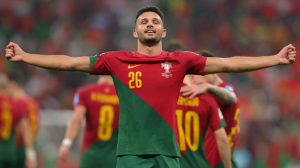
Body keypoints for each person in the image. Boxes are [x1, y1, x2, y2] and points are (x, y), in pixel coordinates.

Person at [4, 5, 296, 168]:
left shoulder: (181, 61)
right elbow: (69, 62)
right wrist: (25, 56)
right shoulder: (116, 60)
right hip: (130, 154)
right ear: (135, 31)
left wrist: (275, 58)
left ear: (164, 31)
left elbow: (229, 63)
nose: (150, 24)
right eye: (144, 21)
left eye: (155, 21)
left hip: (169, 155)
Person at [181, 50, 240, 168]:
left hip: (220, 156)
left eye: (199, 73)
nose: (195, 79)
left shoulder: (222, 89)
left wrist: (208, 87)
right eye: (193, 75)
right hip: (216, 157)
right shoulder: (207, 96)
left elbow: (231, 97)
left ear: (213, 71)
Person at [58, 76, 119, 168]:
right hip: (114, 155)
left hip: (91, 153)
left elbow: (76, 120)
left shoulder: (85, 92)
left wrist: (66, 143)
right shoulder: (123, 95)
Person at [177, 75, 231, 168]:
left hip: (172, 163)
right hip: (198, 163)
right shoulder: (208, 99)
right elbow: (222, 138)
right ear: (192, 76)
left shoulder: (170, 95)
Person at [0, 74, 37, 168]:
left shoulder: (20, 102)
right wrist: (30, 153)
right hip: (11, 150)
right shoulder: (21, 103)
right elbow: (24, 128)